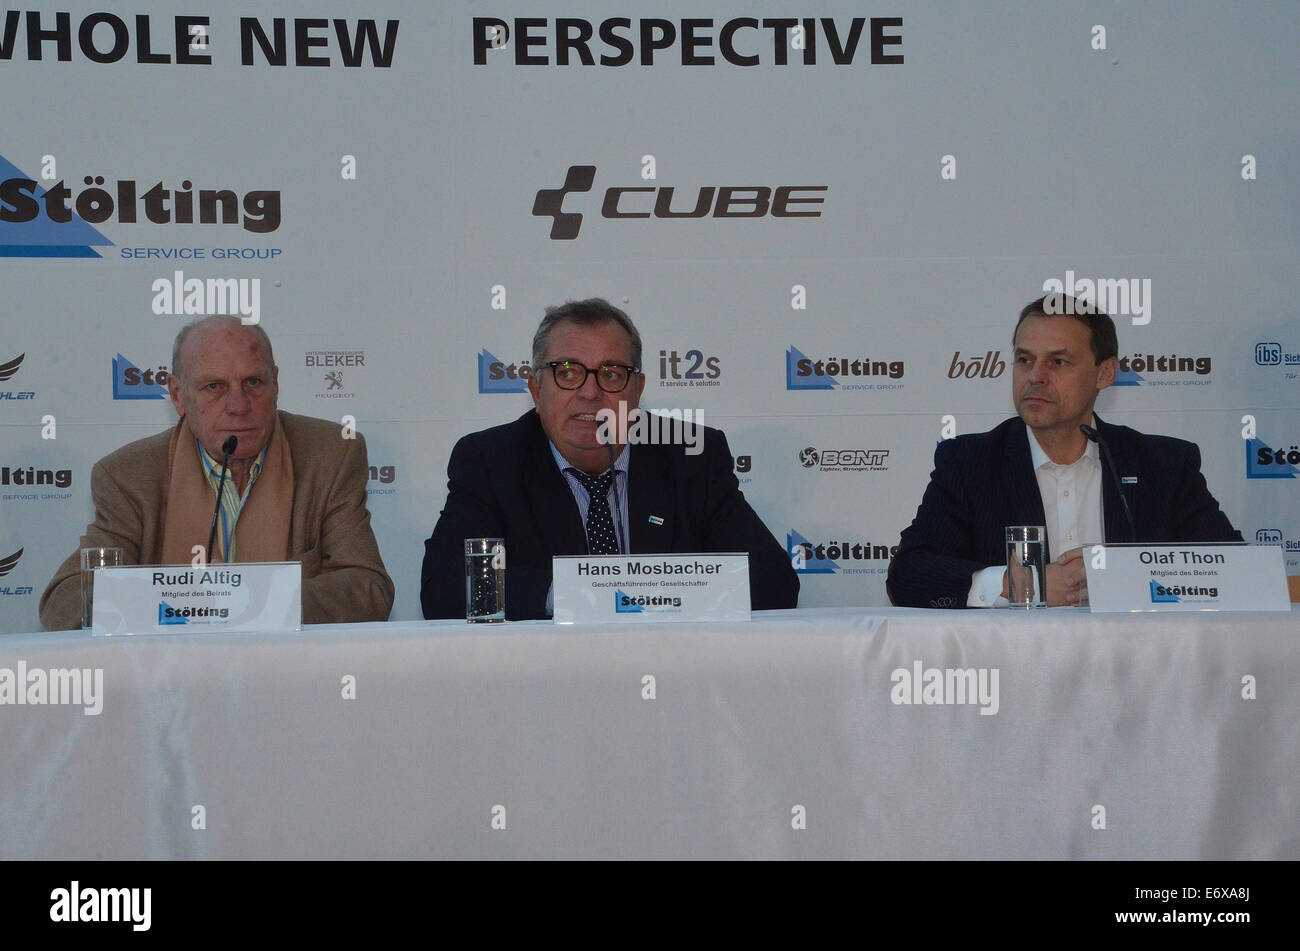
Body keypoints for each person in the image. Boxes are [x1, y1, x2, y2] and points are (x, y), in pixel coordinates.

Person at [421, 298, 798, 619]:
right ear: (537, 390)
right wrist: (578, 595)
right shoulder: (491, 460)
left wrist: (650, 594)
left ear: (637, 391)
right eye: (567, 372)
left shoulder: (691, 454)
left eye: (612, 374)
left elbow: (773, 582)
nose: (590, 393)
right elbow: (446, 588)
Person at [886, 294, 1241, 609]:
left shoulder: (1163, 465)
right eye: (1025, 360)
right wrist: (1017, 585)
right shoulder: (969, 462)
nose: (1035, 376)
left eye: (1058, 362)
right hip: (1012, 672)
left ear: (1105, 373)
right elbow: (909, 575)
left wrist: (1124, 575)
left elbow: (1236, 570)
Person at [40, 315, 394, 629]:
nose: (239, 406)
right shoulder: (128, 476)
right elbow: (64, 603)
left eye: (253, 383)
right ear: (178, 395)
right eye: (214, 387)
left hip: (293, 680)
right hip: (169, 687)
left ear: (276, 383)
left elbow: (368, 588)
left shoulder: (330, 454)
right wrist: (185, 599)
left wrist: (244, 596)